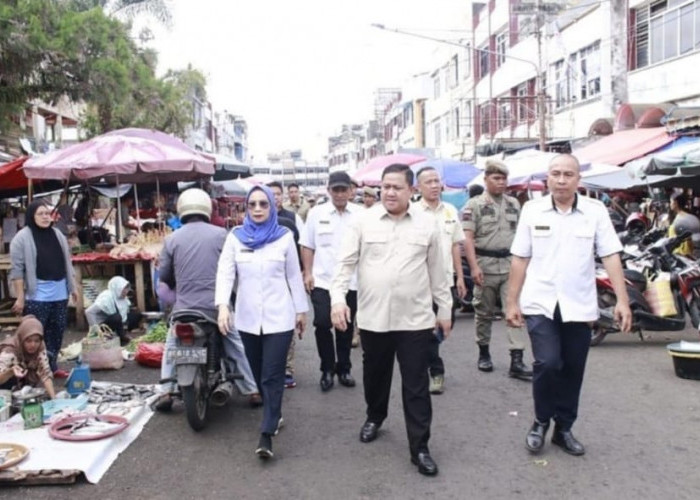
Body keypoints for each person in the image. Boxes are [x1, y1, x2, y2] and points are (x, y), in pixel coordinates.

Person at [506, 154, 632, 457]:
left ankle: (564, 428)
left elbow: (611, 255)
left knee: (573, 368)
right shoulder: (532, 210)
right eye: (555, 174)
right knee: (547, 363)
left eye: (568, 174)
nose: (561, 180)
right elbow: (520, 258)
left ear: (578, 179)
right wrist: (511, 301)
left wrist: (622, 301)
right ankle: (540, 422)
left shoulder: (595, 210)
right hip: (541, 303)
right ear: (547, 178)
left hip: (579, 303)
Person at [330, 163, 452, 477]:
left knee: (416, 385)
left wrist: (445, 310)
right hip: (373, 318)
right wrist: (338, 301)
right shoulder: (363, 221)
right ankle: (375, 416)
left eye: (397, 187)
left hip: (416, 319)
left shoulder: (428, 224)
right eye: (385, 186)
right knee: (375, 376)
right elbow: (344, 265)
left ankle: (420, 447)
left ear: (412, 191)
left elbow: (440, 272)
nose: (390, 192)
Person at [216, 185, 308, 459]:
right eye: (252, 204)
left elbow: (294, 276)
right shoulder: (235, 237)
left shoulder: (284, 237)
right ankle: (275, 413)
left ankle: (266, 433)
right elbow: (225, 273)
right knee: (257, 375)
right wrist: (223, 306)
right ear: (246, 207)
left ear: (271, 206)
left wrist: (301, 311)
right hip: (247, 319)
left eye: (263, 204)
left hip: (280, 318)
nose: (257, 209)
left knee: (271, 375)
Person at [156, 188, 260, 411]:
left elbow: (164, 276)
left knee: (171, 344)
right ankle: (252, 390)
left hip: (184, 309)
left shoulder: (171, 239)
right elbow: (236, 268)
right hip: (216, 308)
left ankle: (166, 392)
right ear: (207, 208)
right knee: (235, 344)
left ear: (181, 209)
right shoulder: (223, 235)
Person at [462, 160, 532, 380]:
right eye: (496, 178)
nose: (501, 183)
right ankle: (484, 352)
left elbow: (522, 236)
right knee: (483, 312)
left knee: (514, 310)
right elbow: (468, 238)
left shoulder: (513, 204)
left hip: (511, 265)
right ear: (486, 180)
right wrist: (473, 267)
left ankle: (517, 359)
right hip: (485, 265)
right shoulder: (473, 205)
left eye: (504, 179)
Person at [300, 171, 359, 392]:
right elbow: (307, 245)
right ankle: (327, 368)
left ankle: (344, 368)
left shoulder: (360, 215)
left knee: (345, 325)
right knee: (322, 324)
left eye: (344, 189)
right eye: (336, 190)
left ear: (351, 191)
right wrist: (307, 272)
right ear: (329, 190)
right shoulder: (317, 213)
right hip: (323, 280)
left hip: (351, 281)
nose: (340, 194)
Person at [9, 199, 77, 379]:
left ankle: (52, 366)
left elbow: (67, 263)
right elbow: (17, 271)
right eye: (41, 214)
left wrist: (73, 288)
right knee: (35, 334)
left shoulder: (58, 235)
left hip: (60, 291)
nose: (46, 217)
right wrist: (20, 297)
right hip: (37, 294)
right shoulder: (21, 238)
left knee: (57, 330)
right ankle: (32, 369)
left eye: (47, 214)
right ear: (32, 216)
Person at [413, 167, 467, 394]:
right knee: (426, 330)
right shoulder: (413, 212)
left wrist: (461, 277)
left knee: (444, 326)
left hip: (446, 282)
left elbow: (455, 244)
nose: (434, 186)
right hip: (419, 283)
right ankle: (436, 371)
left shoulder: (450, 211)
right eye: (429, 182)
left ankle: (429, 359)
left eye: (437, 181)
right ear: (418, 187)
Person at [268, 181, 304, 388]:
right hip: (267, 280)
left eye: (277, 195)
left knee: (287, 323)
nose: (274, 198)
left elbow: (300, 246)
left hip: (288, 277)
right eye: (270, 195)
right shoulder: (253, 221)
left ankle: (287, 369)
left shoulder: (291, 220)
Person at [0, 315, 56, 398]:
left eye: (36, 341)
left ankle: (26, 391)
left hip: (25, 372)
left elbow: (45, 374)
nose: (33, 345)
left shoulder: (40, 346)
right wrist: (10, 371)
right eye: (28, 341)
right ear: (22, 338)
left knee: (49, 356)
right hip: (6, 378)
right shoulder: (10, 350)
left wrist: (54, 399)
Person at [85, 276, 140, 346]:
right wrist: (95, 330)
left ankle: (121, 335)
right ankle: (122, 337)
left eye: (127, 289)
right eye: (124, 289)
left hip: (115, 324)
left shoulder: (122, 298)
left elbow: (124, 315)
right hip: (103, 326)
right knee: (117, 317)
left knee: (136, 315)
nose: (126, 291)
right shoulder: (107, 297)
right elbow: (89, 312)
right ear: (117, 288)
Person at [668, 192, 700, 256]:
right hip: (683, 255)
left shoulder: (683, 219)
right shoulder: (689, 216)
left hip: (683, 256)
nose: (670, 204)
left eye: (670, 202)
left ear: (675, 203)